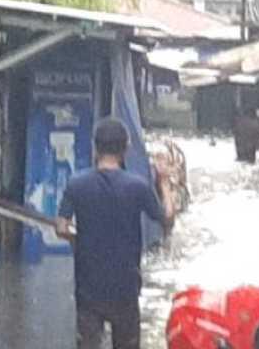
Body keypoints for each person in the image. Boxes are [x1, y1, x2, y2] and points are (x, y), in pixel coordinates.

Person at [56, 118, 175, 349]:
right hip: (126, 286)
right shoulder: (138, 186)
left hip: (88, 287)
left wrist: (78, 241)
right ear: (126, 149)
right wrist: (164, 183)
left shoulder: (76, 184)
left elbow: (61, 227)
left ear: (95, 147)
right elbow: (167, 221)